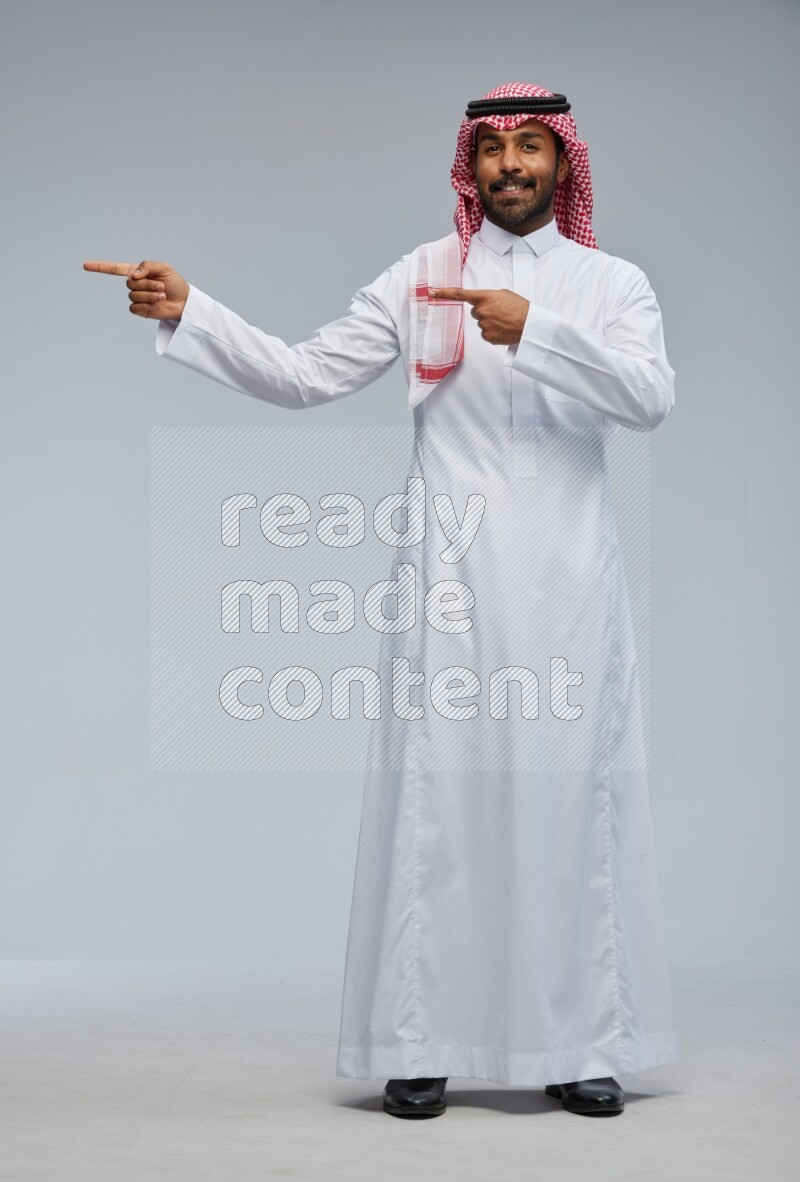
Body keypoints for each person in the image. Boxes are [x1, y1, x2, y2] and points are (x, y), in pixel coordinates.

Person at [84, 82, 680, 1119]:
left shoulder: (609, 282)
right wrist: (194, 309)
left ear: (562, 164)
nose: (508, 168)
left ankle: (576, 1042)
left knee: (562, 801)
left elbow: (647, 397)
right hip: (444, 582)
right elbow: (307, 372)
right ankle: (420, 1037)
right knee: (434, 805)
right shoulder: (422, 275)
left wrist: (532, 329)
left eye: (530, 148)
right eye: (491, 150)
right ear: (469, 163)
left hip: (566, 586)